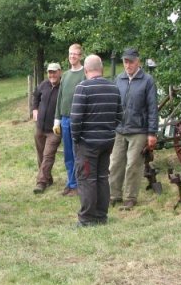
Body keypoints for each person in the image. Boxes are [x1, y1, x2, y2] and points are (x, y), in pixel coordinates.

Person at [71, 55, 123, 227]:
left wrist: (76, 139)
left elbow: (75, 119)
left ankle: (87, 218)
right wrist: (107, 131)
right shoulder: (114, 87)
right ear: (102, 69)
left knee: (87, 179)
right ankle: (101, 216)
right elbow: (119, 116)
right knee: (102, 178)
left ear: (86, 70)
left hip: (87, 143)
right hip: (107, 142)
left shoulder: (82, 88)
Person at [108, 47, 159, 211]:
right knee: (115, 163)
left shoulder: (147, 80)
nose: (128, 65)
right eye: (125, 61)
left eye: (131, 61)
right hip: (120, 129)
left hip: (139, 130)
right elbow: (114, 103)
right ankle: (114, 195)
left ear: (138, 62)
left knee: (133, 165)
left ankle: (130, 198)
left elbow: (152, 108)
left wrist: (152, 133)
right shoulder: (119, 79)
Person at [53, 44, 85, 196]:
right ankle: (71, 182)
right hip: (65, 120)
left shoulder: (84, 74)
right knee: (68, 154)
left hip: (78, 120)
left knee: (77, 152)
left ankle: (78, 183)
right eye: (70, 53)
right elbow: (60, 98)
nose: (72, 56)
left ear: (80, 56)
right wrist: (57, 119)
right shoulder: (65, 75)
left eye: (75, 54)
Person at [32, 62, 62, 194]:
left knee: (48, 155)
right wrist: (34, 109)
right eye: (50, 72)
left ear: (60, 72)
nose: (52, 75)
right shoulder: (44, 84)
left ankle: (41, 182)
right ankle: (48, 178)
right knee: (41, 154)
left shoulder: (63, 87)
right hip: (40, 127)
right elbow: (35, 96)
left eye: (54, 72)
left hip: (54, 130)